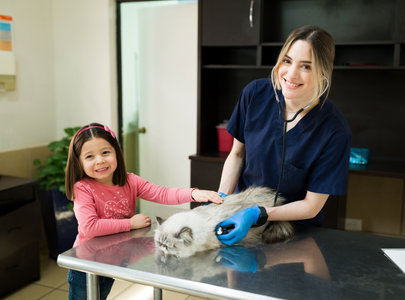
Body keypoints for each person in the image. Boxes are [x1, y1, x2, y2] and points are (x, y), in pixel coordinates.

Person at [216, 25, 351, 246]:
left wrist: (258, 213)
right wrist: (220, 202)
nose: (291, 74)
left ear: (323, 72)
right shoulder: (255, 95)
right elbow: (237, 154)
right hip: (240, 220)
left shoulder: (334, 130)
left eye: (306, 66)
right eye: (287, 61)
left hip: (297, 234)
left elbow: (311, 205)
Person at [65, 122, 223, 300]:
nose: (100, 160)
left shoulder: (130, 181)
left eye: (105, 152)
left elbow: (162, 193)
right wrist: (130, 224)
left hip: (110, 263)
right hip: (86, 264)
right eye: (90, 156)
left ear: (116, 151)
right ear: (78, 162)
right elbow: (89, 227)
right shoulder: (82, 188)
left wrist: (194, 193)